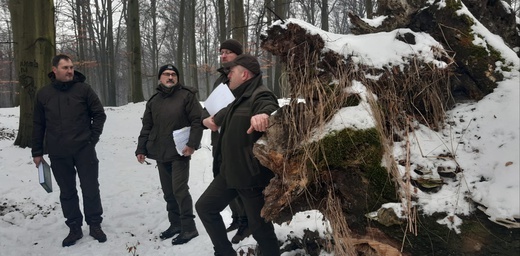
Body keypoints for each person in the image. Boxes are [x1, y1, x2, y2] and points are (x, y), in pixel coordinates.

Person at [195, 54, 281, 256]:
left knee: (261, 229)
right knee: (205, 207)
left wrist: (264, 116)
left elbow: (270, 107)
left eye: (231, 72)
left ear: (244, 74)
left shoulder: (260, 94)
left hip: (251, 176)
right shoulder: (236, 99)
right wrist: (206, 120)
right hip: (229, 173)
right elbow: (214, 120)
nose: (228, 77)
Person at [32, 54, 107, 247]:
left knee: (90, 188)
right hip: (58, 152)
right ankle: (74, 227)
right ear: (54, 70)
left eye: (71, 67)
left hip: (84, 149)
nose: (70, 71)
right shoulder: (43, 94)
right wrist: (37, 151)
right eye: (65, 67)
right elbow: (38, 124)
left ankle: (95, 224)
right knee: (67, 192)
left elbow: (99, 114)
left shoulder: (84, 90)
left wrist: (92, 139)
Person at [135, 64, 203, 245]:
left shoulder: (187, 96)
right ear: (160, 78)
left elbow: (197, 121)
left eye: (174, 74)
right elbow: (147, 126)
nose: (170, 77)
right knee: (168, 193)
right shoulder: (154, 100)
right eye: (166, 74)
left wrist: (192, 144)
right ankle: (176, 224)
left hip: (180, 152)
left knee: (180, 190)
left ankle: (189, 228)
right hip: (160, 151)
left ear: (178, 78)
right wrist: (141, 148)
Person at [202, 39, 250, 244]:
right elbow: (210, 104)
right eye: (221, 52)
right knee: (221, 176)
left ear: (238, 55)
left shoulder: (246, 77)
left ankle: (248, 221)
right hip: (218, 138)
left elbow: (242, 104)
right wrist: (205, 119)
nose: (223, 56)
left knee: (238, 181)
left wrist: (218, 118)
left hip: (238, 139)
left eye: (228, 52)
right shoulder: (219, 80)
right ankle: (237, 218)